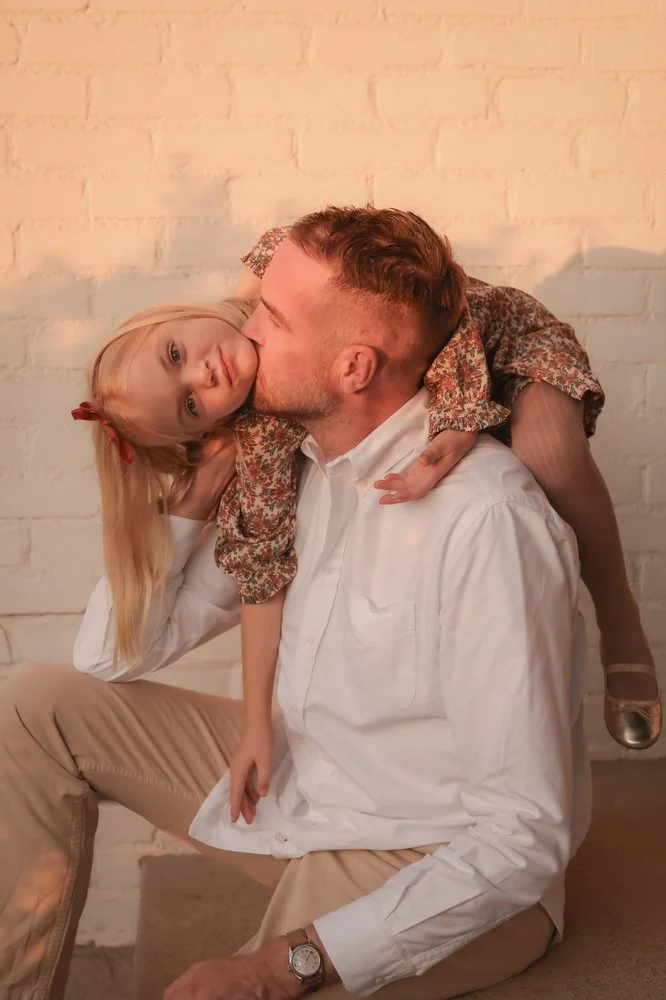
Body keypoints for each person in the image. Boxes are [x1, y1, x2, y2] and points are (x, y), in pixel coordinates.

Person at [1, 206, 590, 1000]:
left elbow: (525, 836)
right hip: (306, 781)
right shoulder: (291, 467)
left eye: (271, 319)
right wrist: (204, 481)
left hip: (425, 848)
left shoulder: (486, 520)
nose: (244, 335)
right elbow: (115, 654)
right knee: (33, 706)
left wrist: (278, 965)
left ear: (353, 367)